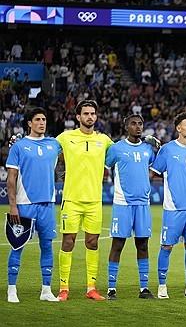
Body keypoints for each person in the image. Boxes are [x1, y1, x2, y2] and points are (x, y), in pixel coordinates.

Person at [56, 100, 113, 301]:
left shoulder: (104, 140)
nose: (90, 116)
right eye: (86, 113)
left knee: (92, 242)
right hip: (71, 200)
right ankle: (64, 288)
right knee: (68, 241)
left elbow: (121, 154)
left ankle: (91, 288)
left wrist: (144, 145)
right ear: (78, 117)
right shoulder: (65, 137)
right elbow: (46, 150)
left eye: (92, 113)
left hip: (94, 201)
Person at [6, 107, 60, 303]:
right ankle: (12, 289)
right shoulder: (19, 147)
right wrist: (13, 206)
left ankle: (46, 290)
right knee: (17, 246)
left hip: (47, 205)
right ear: (29, 123)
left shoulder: (54, 144)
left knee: (47, 246)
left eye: (44, 119)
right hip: (24, 204)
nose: (41, 122)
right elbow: (11, 179)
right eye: (37, 119)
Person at [150, 112, 186, 299]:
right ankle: (162, 287)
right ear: (178, 128)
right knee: (167, 246)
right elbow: (153, 172)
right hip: (174, 208)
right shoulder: (167, 149)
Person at [105, 114, 155, 300]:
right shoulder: (116, 148)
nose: (138, 127)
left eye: (140, 123)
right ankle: (111, 289)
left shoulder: (148, 149)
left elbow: (155, 166)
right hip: (123, 204)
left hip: (143, 204)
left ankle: (144, 288)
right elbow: (105, 164)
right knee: (117, 245)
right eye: (133, 124)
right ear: (126, 127)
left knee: (142, 245)